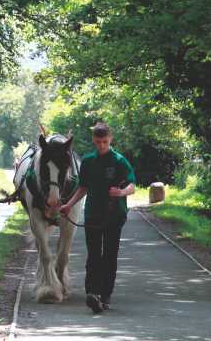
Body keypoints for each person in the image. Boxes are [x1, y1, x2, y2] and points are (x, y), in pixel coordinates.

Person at [60, 121, 136, 314]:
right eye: (98, 142)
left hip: (114, 215)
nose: (101, 145)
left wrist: (121, 193)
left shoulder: (119, 161)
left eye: (104, 141)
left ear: (110, 139)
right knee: (93, 256)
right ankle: (92, 294)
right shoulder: (88, 161)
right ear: (94, 140)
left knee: (109, 256)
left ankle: (105, 295)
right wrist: (68, 204)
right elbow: (83, 187)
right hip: (93, 214)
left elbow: (132, 186)